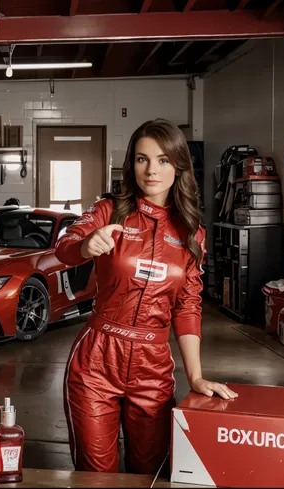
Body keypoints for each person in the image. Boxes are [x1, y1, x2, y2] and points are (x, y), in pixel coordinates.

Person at [55, 119, 237, 475]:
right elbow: (64, 247)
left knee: (150, 473)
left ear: (179, 166)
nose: (151, 169)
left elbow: (187, 305)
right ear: (131, 164)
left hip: (152, 367)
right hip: (96, 361)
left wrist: (196, 377)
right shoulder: (108, 211)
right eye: (142, 159)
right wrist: (85, 246)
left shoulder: (191, 233)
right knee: (96, 474)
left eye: (163, 159)